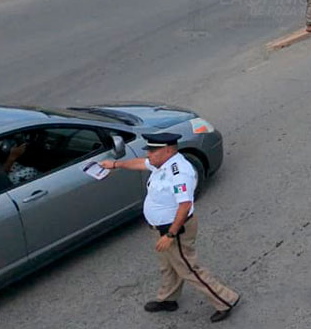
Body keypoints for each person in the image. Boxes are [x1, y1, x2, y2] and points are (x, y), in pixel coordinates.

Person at [98, 133, 240, 322]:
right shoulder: (160, 164)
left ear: (167, 150)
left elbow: (185, 206)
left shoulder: (179, 173)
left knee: (189, 268)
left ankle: (225, 300)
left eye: (152, 150)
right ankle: (168, 299)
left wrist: (170, 235)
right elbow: (140, 163)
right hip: (160, 228)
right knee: (168, 267)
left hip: (174, 230)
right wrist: (115, 165)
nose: (148, 154)